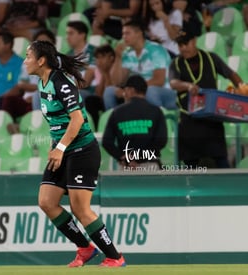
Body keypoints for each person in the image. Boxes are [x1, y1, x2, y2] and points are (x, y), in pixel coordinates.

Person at [23, 40, 126, 268]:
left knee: (80, 209)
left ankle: (115, 257)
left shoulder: (61, 82)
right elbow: (57, 122)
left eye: (28, 56)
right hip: (62, 150)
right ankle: (85, 248)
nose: (25, 60)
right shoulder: (43, 82)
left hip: (81, 150)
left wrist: (60, 148)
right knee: (47, 202)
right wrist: (56, 145)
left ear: (41, 61)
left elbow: (77, 119)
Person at [169, 30, 243, 168]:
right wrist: (187, 85)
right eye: (180, 45)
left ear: (194, 41)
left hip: (211, 119)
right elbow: (173, 83)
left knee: (221, 160)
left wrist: (242, 88)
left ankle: (226, 188)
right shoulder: (176, 63)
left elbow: (231, 74)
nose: (183, 48)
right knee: (191, 166)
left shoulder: (211, 58)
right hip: (188, 120)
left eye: (186, 43)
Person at [103, 19, 177, 111]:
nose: (124, 37)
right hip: (136, 91)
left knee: (151, 91)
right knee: (109, 91)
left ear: (139, 33)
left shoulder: (156, 50)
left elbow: (159, 80)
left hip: (163, 92)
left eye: (127, 33)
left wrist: (133, 90)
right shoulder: (127, 53)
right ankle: (117, 120)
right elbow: (118, 82)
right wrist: (118, 57)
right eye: (123, 34)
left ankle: (157, 119)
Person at [102, 74, 168, 170]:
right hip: (151, 166)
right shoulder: (156, 111)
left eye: (125, 91)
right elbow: (161, 141)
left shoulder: (117, 113)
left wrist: (124, 157)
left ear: (131, 90)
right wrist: (140, 157)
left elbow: (107, 142)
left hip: (127, 166)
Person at [1, 29, 56, 121]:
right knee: (8, 100)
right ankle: (9, 126)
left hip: (45, 99)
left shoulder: (57, 62)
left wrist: (34, 94)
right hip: (26, 99)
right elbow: (21, 84)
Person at [84, 44, 116, 130]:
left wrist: (106, 72)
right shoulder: (98, 70)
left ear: (111, 58)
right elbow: (99, 94)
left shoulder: (116, 68)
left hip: (115, 99)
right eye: (97, 58)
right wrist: (103, 73)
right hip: (104, 99)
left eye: (102, 57)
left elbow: (111, 90)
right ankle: (96, 128)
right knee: (90, 100)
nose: (99, 61)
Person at [65, 20, 96, 98]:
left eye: (71, 33)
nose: (67, 37)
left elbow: (85, 82)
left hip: (89, 93)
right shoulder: (67, 56)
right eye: (67, 34)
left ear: (82, 35)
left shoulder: (94, 52)